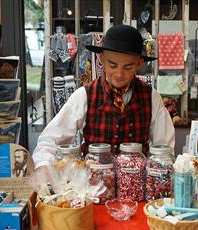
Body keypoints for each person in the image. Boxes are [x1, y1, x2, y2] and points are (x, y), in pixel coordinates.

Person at [32, 24, 175, 170]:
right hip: (92, 186)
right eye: (112, 65)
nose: (119, 74)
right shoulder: (84, 95)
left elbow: (165, 149)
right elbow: (50, 140)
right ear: (102, 59)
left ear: (139, 63)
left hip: (136, 185)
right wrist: (43, 165)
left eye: (128, 67)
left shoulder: (151, 97)